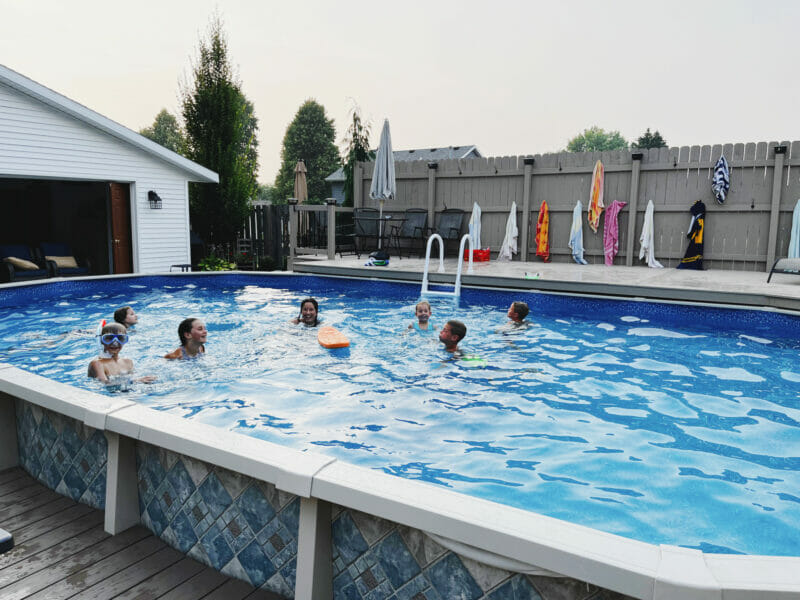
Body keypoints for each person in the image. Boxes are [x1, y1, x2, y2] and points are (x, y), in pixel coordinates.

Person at [88, 322, 154, 386]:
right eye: (109, 338)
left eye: (120, 338)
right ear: (101, 340)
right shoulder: (97, 364)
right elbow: (105, 384)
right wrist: (135, 381)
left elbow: (133, 382)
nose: (115, 343)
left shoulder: (128, 362)